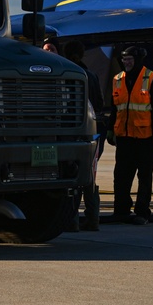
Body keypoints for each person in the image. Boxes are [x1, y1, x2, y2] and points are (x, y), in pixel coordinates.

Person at [108, 45, 153, 225]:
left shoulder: (150, 79)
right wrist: (111, 129)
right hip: (124, 138)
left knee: (144, 177)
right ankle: (120, 210)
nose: (126, 63)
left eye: (129, 60)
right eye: (124, 59)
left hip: (145, 138)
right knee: (121, 177)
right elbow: (115, 108)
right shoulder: (117, 79)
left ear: (138, 60)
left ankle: (142, 212)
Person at [63, 40, 106, 231]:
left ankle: (72, 220)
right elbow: (99, 106)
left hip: (72, 133)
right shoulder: (92, 76)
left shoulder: (66, 75)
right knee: (90, 176)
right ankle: (92, 218)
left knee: (71, 176)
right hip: (93, 133)